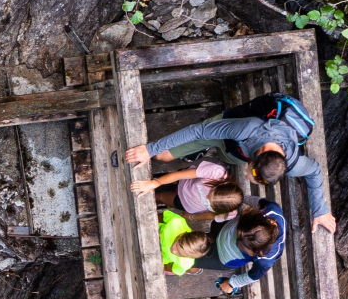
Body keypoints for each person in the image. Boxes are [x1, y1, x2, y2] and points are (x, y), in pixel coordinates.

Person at [124, 95, 334, 233]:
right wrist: (150, 149)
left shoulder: (292, 163)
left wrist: (321, 210)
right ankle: (204, 148)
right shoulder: (247, 128)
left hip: (237, 152)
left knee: (226, 158)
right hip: (224, 132)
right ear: (256, 158)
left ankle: (211, 153)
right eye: (252, 174)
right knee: (162, 156)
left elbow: (314, 171)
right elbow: (199, 131)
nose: (248, 178)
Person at [131, 160, 244, 223]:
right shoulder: (217, 173)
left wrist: (191, 217)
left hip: (187, 204)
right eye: (211, 193)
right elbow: (179, 175)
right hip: (183, 182)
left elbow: (211, 215)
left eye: (211, 203)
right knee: (156, 188)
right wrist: (155, 182)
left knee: (160, 197)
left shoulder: (230, 213)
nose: (207, 197)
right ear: (223, 184)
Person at [213, 201, 285, 294]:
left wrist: (232, 283)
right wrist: (238, 201)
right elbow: (252, 200)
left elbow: (254, 275)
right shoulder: (271, 210)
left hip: (223, 256)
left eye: (241, 246)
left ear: (257, 250)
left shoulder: (265, 259)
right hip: (223, 228)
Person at [159, 208, 211, 275]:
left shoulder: (186, 264)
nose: (174, 251)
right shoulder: (176, 222)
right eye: (176, 247)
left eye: (180, 254)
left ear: (190, 257)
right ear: (181, 235)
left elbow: (171, 268)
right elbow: (163, 215)